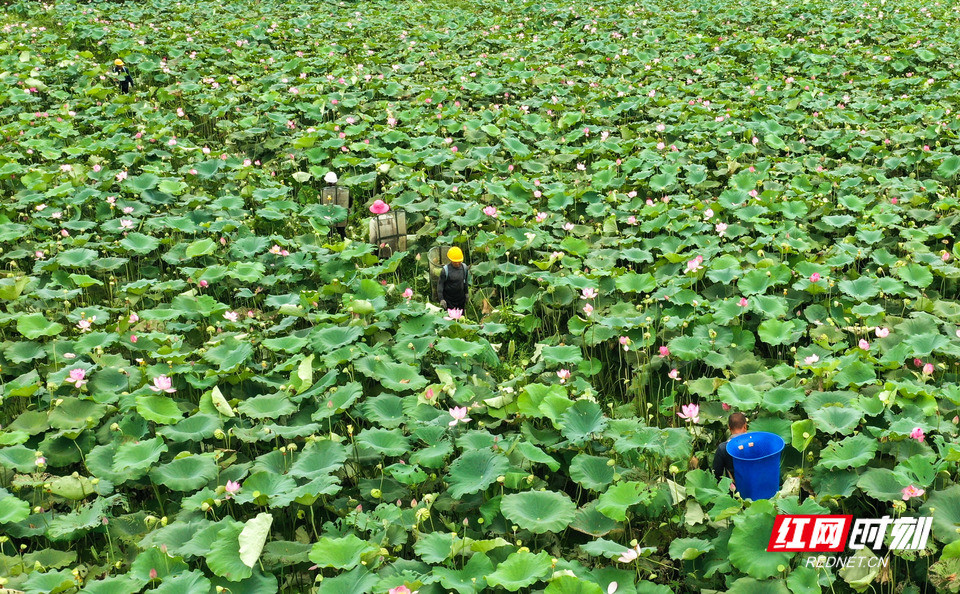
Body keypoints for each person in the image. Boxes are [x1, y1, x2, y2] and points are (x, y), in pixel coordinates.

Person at [713, 412, 748, 489]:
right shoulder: (756, 444)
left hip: (736, 491)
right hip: (759, 487)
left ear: (729, 427)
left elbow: (717, 474)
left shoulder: (723, 448)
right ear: (745, 426)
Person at [437, 246, 468, 312]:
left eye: (459, 261)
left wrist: (467, 293)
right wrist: (441, 299)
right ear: (450, 260)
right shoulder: (445, 270)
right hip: (449, 300)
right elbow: (440, 285)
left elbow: (465, 282)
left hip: (461, 299)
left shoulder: (464, 268)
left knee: (460, 318)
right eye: (455, 262)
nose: (457, 263)